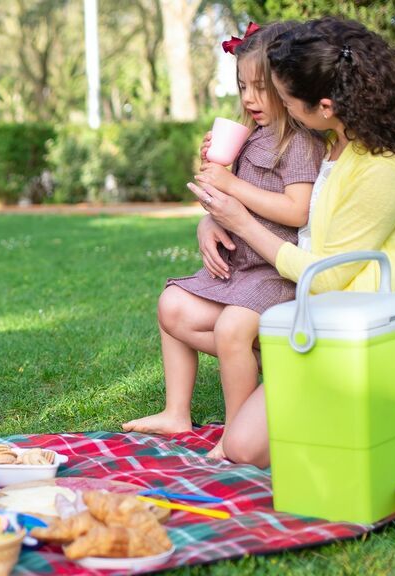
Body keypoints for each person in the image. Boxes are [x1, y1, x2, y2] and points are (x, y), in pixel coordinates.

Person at [191, 17, 395, 467]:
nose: (278, 108)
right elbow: (292, 219)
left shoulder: (383, 169)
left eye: (286, 100)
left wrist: (242, 223)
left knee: (243, 448)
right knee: (202, 328)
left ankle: (330, 409)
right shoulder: (335, 142)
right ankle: (296, 393)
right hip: (324, 322)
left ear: (325, 106)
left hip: (373, 345)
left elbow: (326, 278)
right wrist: (214, 220)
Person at [123, 22, 325, 459]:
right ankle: (176, 411)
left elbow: (297, 210)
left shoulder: (299, 143)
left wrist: (232, 186)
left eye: (261, 87)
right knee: (171, 304)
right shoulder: (247, 136)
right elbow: (225, 204)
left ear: (286, 85)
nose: (250, 98)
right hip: (241, 269)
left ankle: (236, 432)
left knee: (233, 328)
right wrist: (209, 210)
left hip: (276, 272)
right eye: (242, 87)